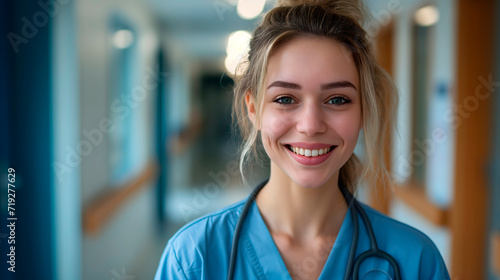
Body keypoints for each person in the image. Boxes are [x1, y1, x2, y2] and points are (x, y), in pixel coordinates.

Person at [154, 0, 450, 279]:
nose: (310, 125)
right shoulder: (194, 259)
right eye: (285, 98)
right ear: (254, 109)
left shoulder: (414, 261)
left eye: (337, 99)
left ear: (364, 111)